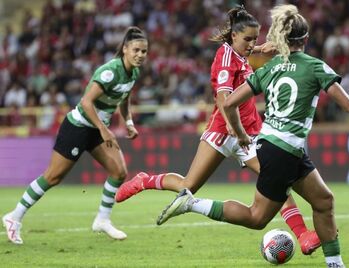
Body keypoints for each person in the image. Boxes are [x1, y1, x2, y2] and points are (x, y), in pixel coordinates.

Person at [155, 4, 349, 267]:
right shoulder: (315, 67)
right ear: (305, 38)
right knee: (257, 218)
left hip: (278, 146)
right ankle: (192, 204)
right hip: (284, 150)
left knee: (324, 200)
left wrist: (241, 132)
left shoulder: (269, 68)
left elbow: (229, 102)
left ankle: (335, 264)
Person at [115, 6, 320, 255]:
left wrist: (260, 47)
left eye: (255, 39)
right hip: (226, 131)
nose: (252, 43)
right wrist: (237, 130)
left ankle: (303, 235)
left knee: (273, 180)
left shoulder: (240, 53)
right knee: (188, 186)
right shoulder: (224, 58)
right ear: (234, 36)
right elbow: (224, 99)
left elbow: (243, 54)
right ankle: (144, 180)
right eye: (248, 39)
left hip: (251, 133)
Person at [2, 26, 148, 244]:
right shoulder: (109, 72)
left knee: (119, 172)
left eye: (144, 52)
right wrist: (104, 129)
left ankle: (102, 219)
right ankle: (14, 217)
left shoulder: (134, 73)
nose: (140, 55)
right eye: (136, 50)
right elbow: (86, 102)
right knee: (53, 177)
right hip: (79, 126)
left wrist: (128, 122)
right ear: (125, 49)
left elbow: (124, 98)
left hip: (98, 129)